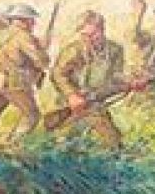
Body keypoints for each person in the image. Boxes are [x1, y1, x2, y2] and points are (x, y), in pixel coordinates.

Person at [52, 10, 148, 148]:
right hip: (72, 102)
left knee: (112, 141)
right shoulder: (73, 50)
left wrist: (131, 82)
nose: (89, 39)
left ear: (102, 30)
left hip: (95, 101)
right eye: (84, 35)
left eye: (93, 34)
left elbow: (116, 75)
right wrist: (71, 95)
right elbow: (57, 74)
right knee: (63, 140)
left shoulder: (115, 50)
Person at [0, 3, 49, 140]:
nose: (34, 23)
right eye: (31, 20)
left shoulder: (2, 34)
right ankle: (14, 142)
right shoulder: (24, 36)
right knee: (32, 115)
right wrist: (42, 48)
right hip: (13, 82)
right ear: (24, 20)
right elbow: (42, 61)